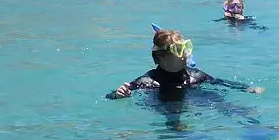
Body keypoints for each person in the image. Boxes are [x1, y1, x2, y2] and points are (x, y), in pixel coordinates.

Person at [108, 28, 264, 100]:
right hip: (162, 102)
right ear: (159, 58)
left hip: (194, 96)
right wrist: (118, 94)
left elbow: (220, 82)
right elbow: (111, 95)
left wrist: (247, 88)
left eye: (185, 48)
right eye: (178, 49)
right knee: (172, 116)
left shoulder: (195, 75)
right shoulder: (147, 82)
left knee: (222, 103)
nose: (184, 53)